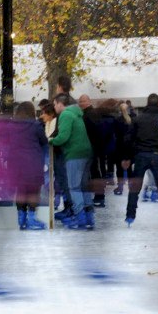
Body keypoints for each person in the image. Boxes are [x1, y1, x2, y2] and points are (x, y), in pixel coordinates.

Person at [121, 93, 158, 228]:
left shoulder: (138, 119)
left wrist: (127, 157)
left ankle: (130, 215)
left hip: (141, 155)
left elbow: (128, 139)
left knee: (135, 187)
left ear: (147, 103)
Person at [49, 93, 94, 230]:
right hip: (86, 153)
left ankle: (80, 218)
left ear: (60, 103)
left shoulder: (66, 115)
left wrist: (50, 140)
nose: (54, 107)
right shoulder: (76, 113)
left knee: (74, 187)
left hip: (74, 154)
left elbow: (63, 137)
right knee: (84, 186)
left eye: (55, 104)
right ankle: (89, 218)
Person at [9, 102, 48, 230]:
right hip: (33, 163)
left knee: (20, 191)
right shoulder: (36, 125)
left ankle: (21, 219)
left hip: (16, 164)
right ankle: (31, 219)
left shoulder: (11, 126)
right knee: (33, 192)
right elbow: (44, 141)